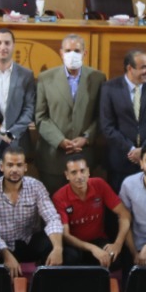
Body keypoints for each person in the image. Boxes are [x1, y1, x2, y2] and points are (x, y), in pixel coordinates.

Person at [34, 33, 105, 190]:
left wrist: (86, 138)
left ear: (84, 53)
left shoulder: (98, 78)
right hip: (53, 158)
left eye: (77, 51)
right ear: (61, 53)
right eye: (68, 51)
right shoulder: (45, 78)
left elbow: (101, 116)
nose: (72, 55)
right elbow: (40, 116)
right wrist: (59, 140)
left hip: (84, 156)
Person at [0, 145, 65, 276]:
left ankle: (44, 283)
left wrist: (58, 248)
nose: (15, 170)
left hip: (29, 241)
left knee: (55, 246)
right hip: (2, 246)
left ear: (25, 167)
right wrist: (6, 255)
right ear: (2, 167)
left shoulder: (36, 186)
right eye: (10, 165)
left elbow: (52, 218)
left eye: (19, 165)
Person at [99, 49, 146, 193]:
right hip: (120, 159)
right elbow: (107, 126)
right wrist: (131, 150)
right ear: (130, 68)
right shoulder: (109, 88)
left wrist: (144, 150)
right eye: (143, 67)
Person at [52, 155, 132, 270]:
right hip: (74, 244)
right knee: (70, 258)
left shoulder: (99, 184)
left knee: (114, 259)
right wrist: (92, 249)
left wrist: (117, 244)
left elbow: (124, 214)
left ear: (88, 172)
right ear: (67, 175)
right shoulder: (59, 197)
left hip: (98, 240)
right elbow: (66, 235)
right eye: (74, 172)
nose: (79, 176)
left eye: (82, 171)